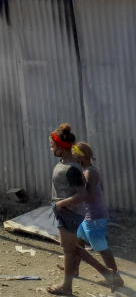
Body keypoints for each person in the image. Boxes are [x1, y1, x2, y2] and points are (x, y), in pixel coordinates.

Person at [46, 123, 113, 296]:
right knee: (72, 248)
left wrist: (61, 204)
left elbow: (83, 195)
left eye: (52, 146)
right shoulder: (66, 164)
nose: (51, 149)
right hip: (67, 212)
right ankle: (107, 273)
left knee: (70, 249)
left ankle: (67, 287)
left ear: (61, 148)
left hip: (70, 213)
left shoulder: (72, 169)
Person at [68, 142, 124, 290]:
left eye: (74, 153)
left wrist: (72, 199)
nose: (72, 156)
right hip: (89, 215)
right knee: (78, 241)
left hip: (94, 217)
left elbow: (90, 197)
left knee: (102, 249)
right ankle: (74, 269)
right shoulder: (89, 170)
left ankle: (115, 278)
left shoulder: (89, 173)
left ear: (80, 155)